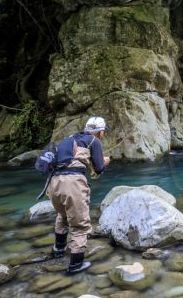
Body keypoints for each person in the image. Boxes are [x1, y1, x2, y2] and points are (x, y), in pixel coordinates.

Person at [48, 116, 111, 274]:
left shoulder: (69, 139)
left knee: (62, 215)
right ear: (100, 132)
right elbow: (99, 169)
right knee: (81, 226)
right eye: (103, 131)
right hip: (73, 183)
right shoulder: (94, 141)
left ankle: (58, 250)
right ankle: (76, 266)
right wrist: (105, 162)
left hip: (54, 182)